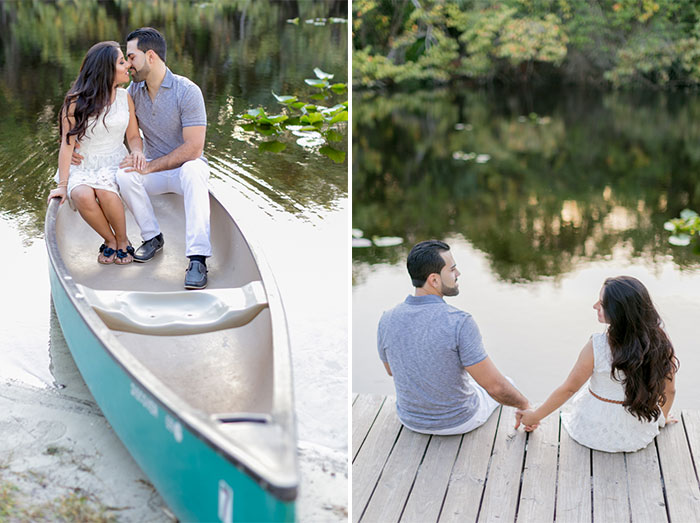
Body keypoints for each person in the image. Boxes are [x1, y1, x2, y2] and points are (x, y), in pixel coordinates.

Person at [73, 27, 211, 289]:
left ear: (150, 56)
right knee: (123, 175)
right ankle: (152, 237)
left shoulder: (187, 91)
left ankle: (197, 258)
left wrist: (150, 165)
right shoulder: (132, 93)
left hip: (183, 173)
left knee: (195, 171)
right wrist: (78, 147)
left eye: (131, 57)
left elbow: (194, 149)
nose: (129, 65)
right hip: (153, 173)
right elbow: (98, 116)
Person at [377, 240, 533, 435]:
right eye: (452, 269)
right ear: (434, 280)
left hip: (410, 420)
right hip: (458, 422)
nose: (458, 274)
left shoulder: (387, 318)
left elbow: (391, 370)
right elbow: (495, 387)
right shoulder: (459, 321)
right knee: (508, 382)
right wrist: (525, 405)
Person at [516, 276, 679, 453]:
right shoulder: (660, 343)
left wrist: (534, 416)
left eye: (602, 304)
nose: (595, 306)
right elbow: (669, 390)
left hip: (590, 432)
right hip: (636, 435)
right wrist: (660, 420)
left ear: (619, 312)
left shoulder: (598, 345)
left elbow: (569, 389)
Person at [48, 41, 145, 265]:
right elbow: (67, 145)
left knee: (106, 193)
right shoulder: (74, 102)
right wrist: (63, 185)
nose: (127, 66)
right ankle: (110, 240)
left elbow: (132, 136)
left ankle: (124, 241)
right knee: (81, 194)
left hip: (114, 160)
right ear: (106, 70)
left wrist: (137, 151)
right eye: (121, 62)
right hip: (83, 163)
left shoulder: (125, 98)